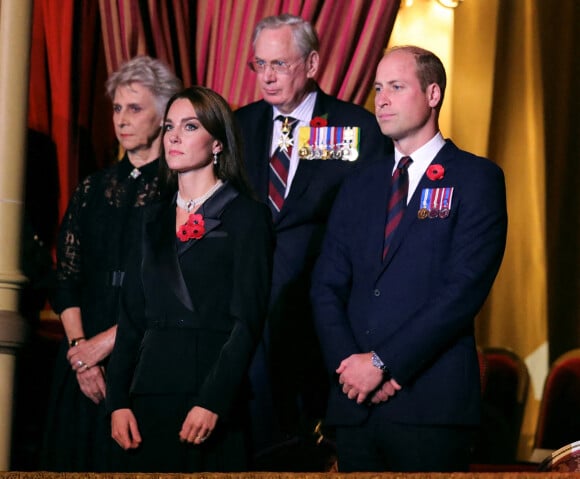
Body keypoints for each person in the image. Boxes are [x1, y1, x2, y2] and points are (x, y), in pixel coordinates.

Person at [311, 45, 508, 472]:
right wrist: (353, 371)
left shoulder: (476, 178)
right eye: (378, 88)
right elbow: (325, 285)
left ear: (433, 94)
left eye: (396, 87)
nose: (380, 99)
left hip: (429, 404)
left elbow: (462, 290)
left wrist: (385, 365)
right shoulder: (357, 185)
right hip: (354, 407)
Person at [234, 13, 392, 459]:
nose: (266, 76)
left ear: (312, 63)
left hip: (319, 321)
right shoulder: (237, 127)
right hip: (246, 317)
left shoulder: (356, 128)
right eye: (259, 64)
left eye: (279, 64)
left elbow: (370, 231)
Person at [106, 86, 274, 473]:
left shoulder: (247, 216)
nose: (174, 137)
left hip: (210, 393)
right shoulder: (150, 218)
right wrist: (117, 402)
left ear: (217, 143)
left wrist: (213, 400)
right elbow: (131, 320)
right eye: (169, 127)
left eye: (190, 126)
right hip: (146, 394)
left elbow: (247, 321)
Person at [41, 56, 182, 472]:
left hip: (144, 349)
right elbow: (66, 278)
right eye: (117, 108)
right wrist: (79, 353)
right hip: (80, 353)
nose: (122, 119)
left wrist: (106, 344)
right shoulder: (92, 188)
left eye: (135, 108)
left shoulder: (181, 190)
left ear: (163, 114)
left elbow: (176, 289)